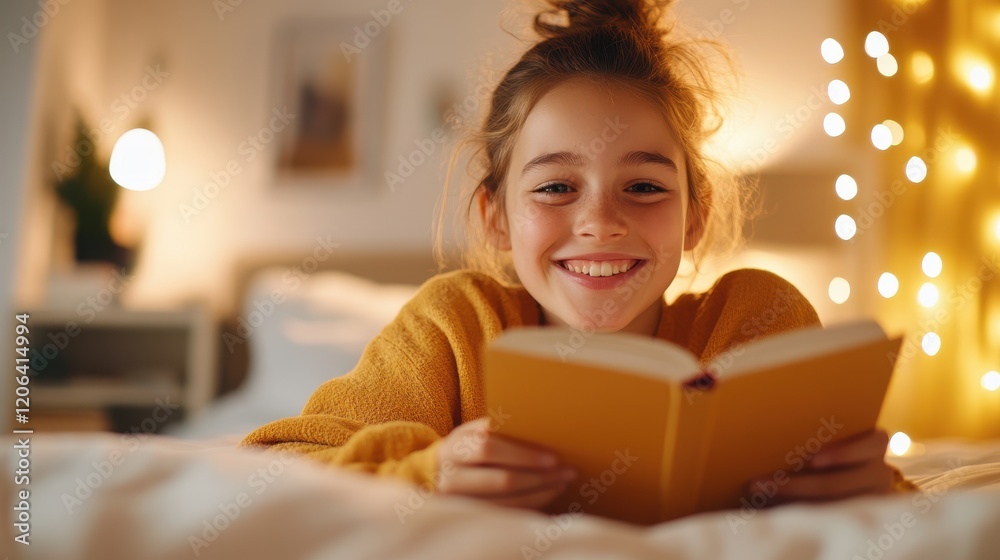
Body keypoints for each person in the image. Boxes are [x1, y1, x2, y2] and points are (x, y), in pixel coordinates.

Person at [241, 0, 916, 513]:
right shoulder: (453, 328)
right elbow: (273, 466)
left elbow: (869, 496)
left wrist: (868, 487)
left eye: (645, 187)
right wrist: (429, 470)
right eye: (557, 187)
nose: (599, 222)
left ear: (695, 215)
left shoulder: (752, 319)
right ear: (497, 216)